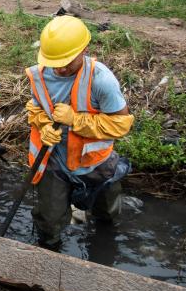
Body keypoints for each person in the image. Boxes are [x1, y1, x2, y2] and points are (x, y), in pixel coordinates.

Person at [25, 15, 134, 248]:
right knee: (48, 222)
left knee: (107, 214)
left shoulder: (101, 80)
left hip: (95, 163)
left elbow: (121, 125)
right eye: (56, 62)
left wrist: (76, 120)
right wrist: (44, 125)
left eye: (68, 61)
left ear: (85, 49)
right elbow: (35, 109)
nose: (62, 68)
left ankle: (105, 249)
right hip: (53, 161)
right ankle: (48, 256)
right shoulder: (39, 76)